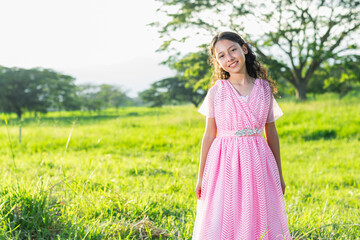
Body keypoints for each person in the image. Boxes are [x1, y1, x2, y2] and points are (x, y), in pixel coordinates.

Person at [192, 31, 292, 240]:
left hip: (258, 159)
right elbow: (209, 135)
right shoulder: (217, 92)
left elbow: (271, 132)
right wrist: (201, 177)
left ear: (244, 49)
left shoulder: (264, 89)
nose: (229, 58)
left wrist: (279, 174)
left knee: (257, 210)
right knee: (226, 209)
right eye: (221, 56)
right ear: (217, 62)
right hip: (225, 161)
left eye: (232, 50)